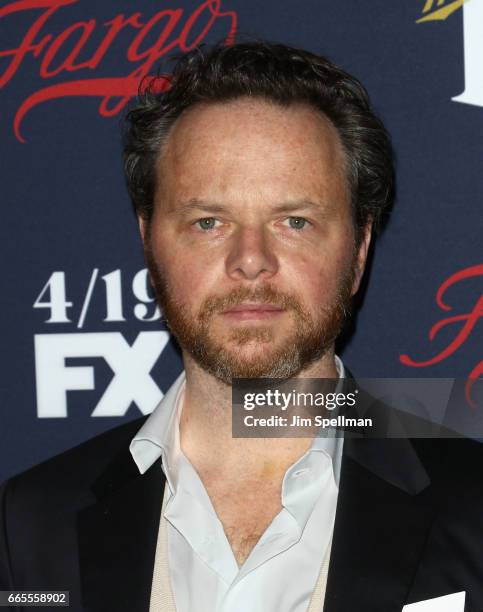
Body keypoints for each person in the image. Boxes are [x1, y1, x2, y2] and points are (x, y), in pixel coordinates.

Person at [1, 41, 482, 612]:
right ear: (148, 241)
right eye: (209, 221)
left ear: (358, 251)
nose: (250, 259)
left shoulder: (475, 508)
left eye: (294, 221)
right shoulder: (32, 525)